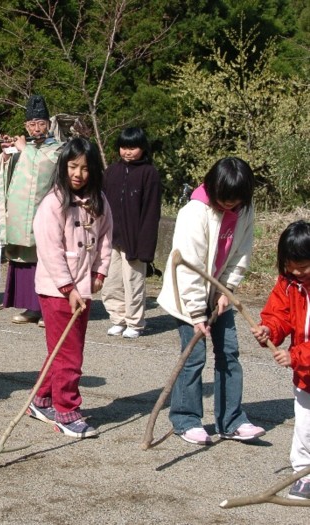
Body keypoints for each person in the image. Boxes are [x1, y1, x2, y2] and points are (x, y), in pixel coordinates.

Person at [157, 157, 265, 445]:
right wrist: (196, 313)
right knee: (193, 357)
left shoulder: (244, 209)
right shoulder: (195, 212)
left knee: (228, 352)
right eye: (225, 200)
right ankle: (185, 419)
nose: (229, 206)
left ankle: (231, 420)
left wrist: (225, 289)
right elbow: (188, 265)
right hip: (187, 294)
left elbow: (242, 250)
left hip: (218, 292)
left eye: (235, 201)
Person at [25, 137, 112, 438]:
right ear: (63, 167)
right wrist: (68, 288)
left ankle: (42, 399)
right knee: (69, 353)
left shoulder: (99, 201)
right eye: (73, 167)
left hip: (84, 287)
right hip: (56, 290)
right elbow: (49, 250)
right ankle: (66, 410)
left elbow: (105, 239)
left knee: (61, 349)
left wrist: (100, 272)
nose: (78, 174)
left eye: (85, 169)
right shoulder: (53, 203)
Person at [0, 94, 62, 325]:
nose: (36, 129)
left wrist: (24, 150)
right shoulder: (25, 146)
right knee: (24, 262)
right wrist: (7, 154)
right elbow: (5, 174)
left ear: (49, 124)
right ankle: (31, 308)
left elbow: (44, 169)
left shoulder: (57, 148)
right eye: (31, 124)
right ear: (26, 125)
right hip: (19, 216)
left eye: (41, 124)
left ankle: (48, 309)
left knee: (46, 261)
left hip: (45, 213)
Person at [251, 220, 310, 500]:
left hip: (304, 361)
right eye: (291, 266)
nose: (297, 272)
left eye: (304, 266)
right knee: (305, 427)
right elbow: (279, 314)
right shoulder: (288, 283)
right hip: (306, 376)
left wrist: (296, 355)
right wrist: (268, 330)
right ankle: (304, 476)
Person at [101, 127, 162, 339]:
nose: (127, 152)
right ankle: (118, 319)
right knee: (111, 281)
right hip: (111, 237)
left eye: (133, 147)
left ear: (143, 148)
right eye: (124, 147)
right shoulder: (111, 172)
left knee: (133, 282)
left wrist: (146, 246)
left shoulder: (149, 174)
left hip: (135, 239)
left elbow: (152, 212)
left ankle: (135, 322)